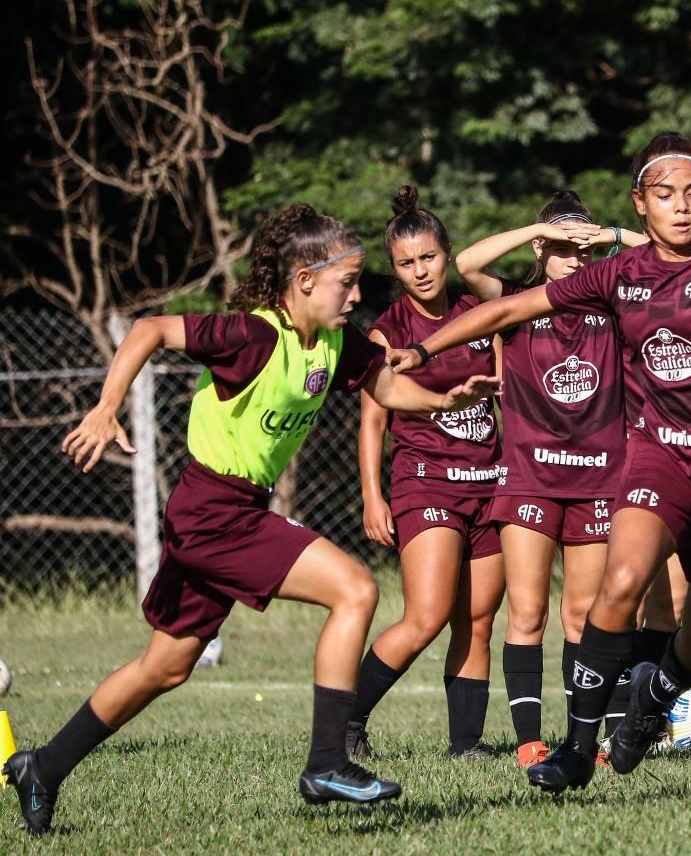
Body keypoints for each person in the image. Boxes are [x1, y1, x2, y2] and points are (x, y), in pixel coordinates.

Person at [385, 130, 691, 793]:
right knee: (617, 584)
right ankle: (574, 749)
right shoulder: (620, 274)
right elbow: (510, 305)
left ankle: (653, 701)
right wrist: (421, 353)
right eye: (664, 195)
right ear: (639, 205)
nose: (680, 207)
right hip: (662, 461)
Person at [3, 204, 498, 835]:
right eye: (346, 281)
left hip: (230, 511)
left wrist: (442, 399)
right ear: (304, 279)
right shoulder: (253, 335)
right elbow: (150, 329)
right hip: (213, 510)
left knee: (166, 666)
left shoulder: (338, 342)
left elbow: (388, 388)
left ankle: (42, 767)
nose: (355, 293)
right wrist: (105, 408)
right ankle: (326, 761)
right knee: (356, 589)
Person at [452, 190, 646, 767]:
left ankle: (589, 740)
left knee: (585, 615)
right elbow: (467, 265)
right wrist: (536, 229)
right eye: (560, 248)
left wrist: (608, 236)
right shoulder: (515, 300)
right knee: (529, 612)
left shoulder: (612, 302)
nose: (573, 259)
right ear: (541, 247)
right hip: (529, 479)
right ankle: (529, 740)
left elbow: (662, 257)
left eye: (579, 249)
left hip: (597, 479)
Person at [347, 185, 506, 761]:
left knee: (478, 619)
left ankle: (466, 744)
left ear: (447, 253)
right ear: (395, 270)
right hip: (426, 482)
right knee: (427, 615)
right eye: (406, 264)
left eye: (429, 258)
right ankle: (347, 719)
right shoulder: (387, 332)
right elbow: (372, 423)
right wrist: (372, 494)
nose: (420, 271)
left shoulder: (480, 315)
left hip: (491, 484)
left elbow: (509, 395)